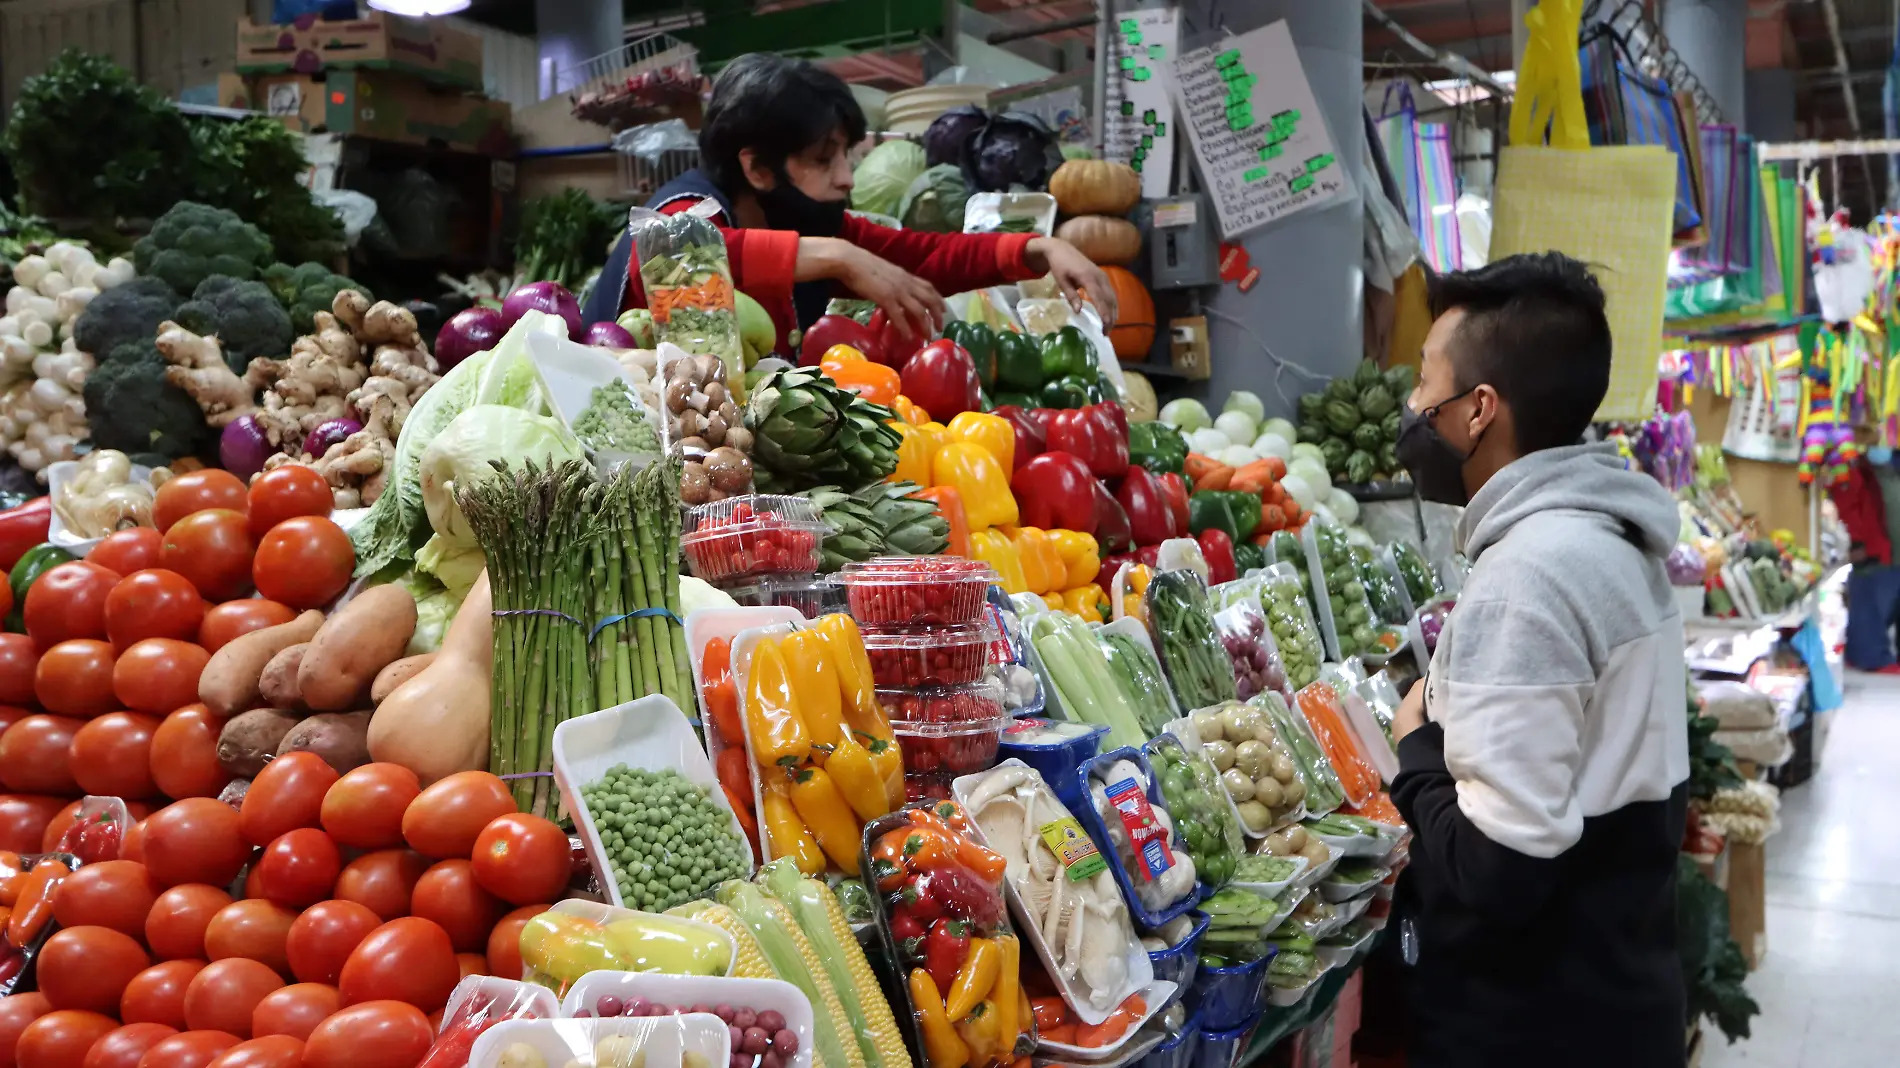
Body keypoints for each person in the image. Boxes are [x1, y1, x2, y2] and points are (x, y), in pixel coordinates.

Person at [1387, 252, 1690, 1067]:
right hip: (1619, 995)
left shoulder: (1530, 574)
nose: (1414, 408)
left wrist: (1416, 748)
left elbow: (1500, 874)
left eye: (1424, 383)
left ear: (1478, 410)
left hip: (1538, 1026)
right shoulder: (1612, 540)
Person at [582, 54, 1114, 357]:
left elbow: (923, 255)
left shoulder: (797, 215)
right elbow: (667, 261)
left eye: (847, 155)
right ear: (758, 168)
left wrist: (1039, 248)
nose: (845, 178)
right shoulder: (691, 210)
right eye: (823, 158)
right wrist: (840, 257)